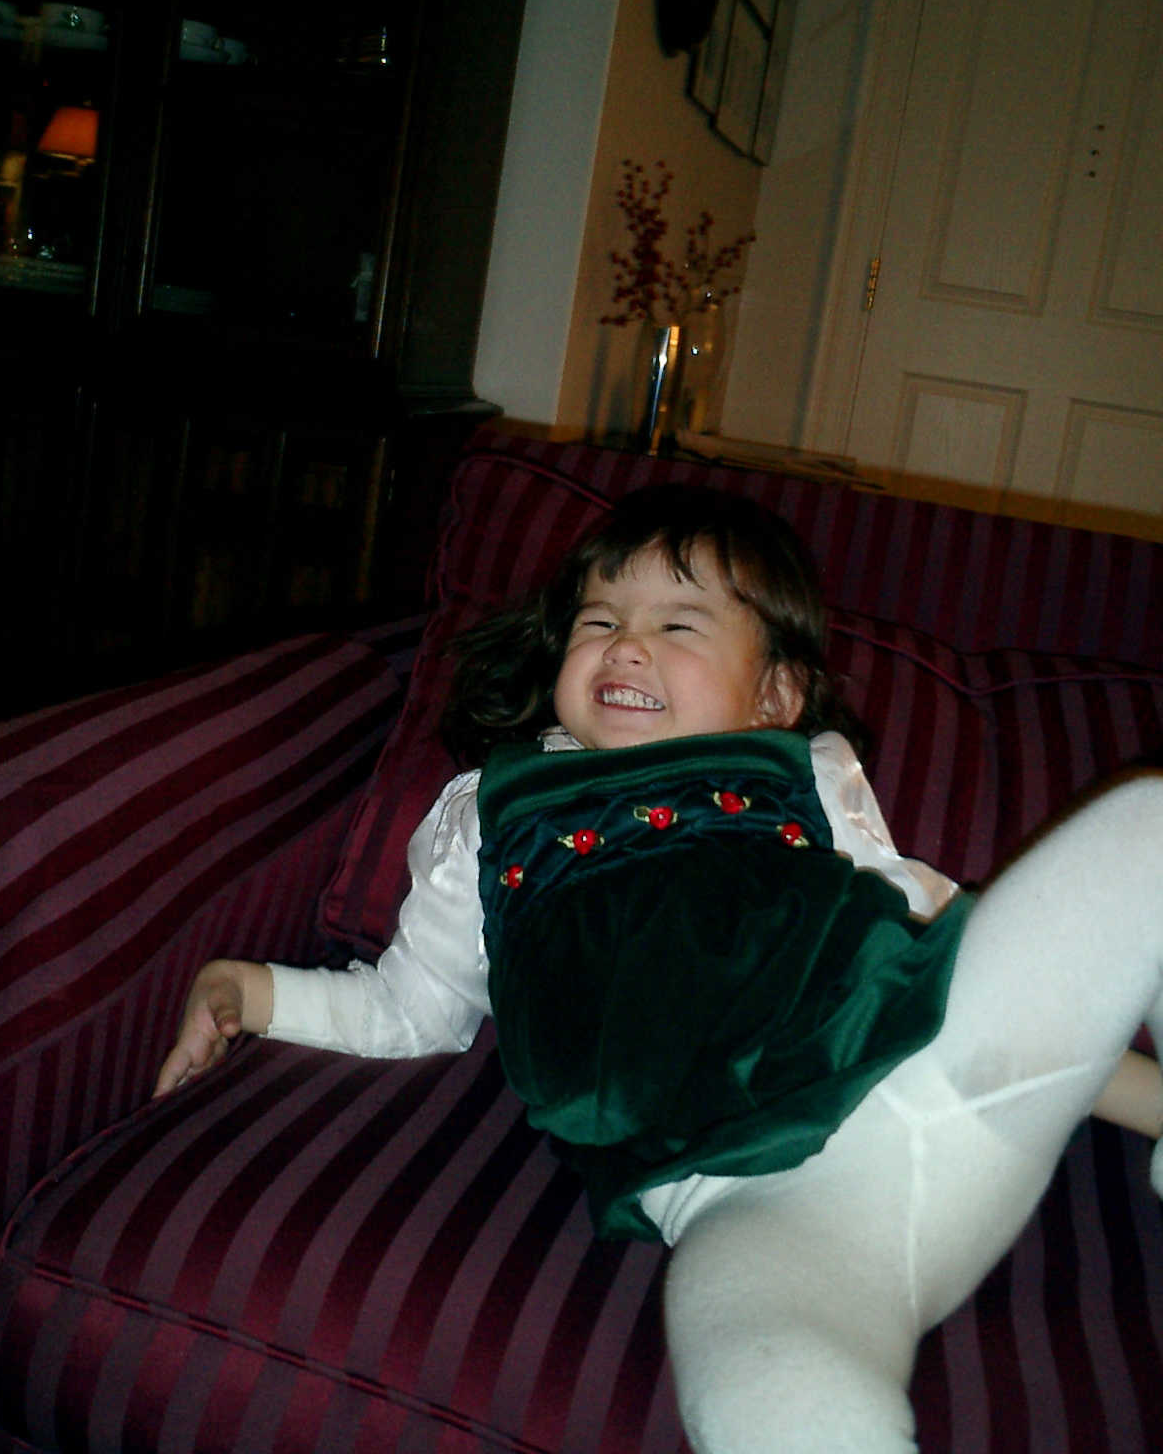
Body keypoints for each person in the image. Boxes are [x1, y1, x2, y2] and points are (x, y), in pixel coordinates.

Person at [156, 485, 1163, 1453]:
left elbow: (914, 911)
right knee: (769, 1395)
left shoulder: (801, 769)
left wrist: (1047, 979)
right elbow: (412, 1010)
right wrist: (251, 989)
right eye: (598, 621)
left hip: (936, 1060)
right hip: (741, 1198)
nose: (627, 643)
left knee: (1147, 825)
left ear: (774, 694)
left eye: (679, 625)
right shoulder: (489, 809)